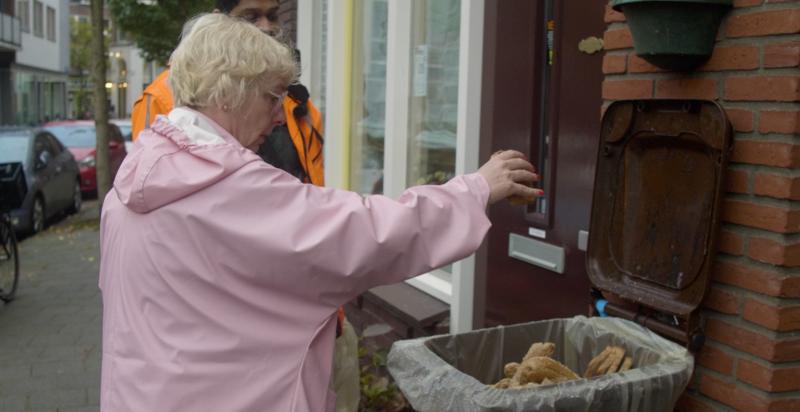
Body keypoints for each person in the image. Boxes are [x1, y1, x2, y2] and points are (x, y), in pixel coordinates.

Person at [99, 13, 541, 412]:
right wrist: (477, 188)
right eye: (273, 97)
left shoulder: (131, 185)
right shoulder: (230, 190)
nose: (279, 116)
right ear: (230, 92)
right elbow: (370, 233)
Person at [130, 0, 353, 408]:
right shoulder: (167, 97)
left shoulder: (294, 103)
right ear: (221, 20)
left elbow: (313, 201)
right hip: (238, 336)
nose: (267, 26)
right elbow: (153, 209)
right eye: (251, 16)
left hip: (315, 315)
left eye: (273, 14)